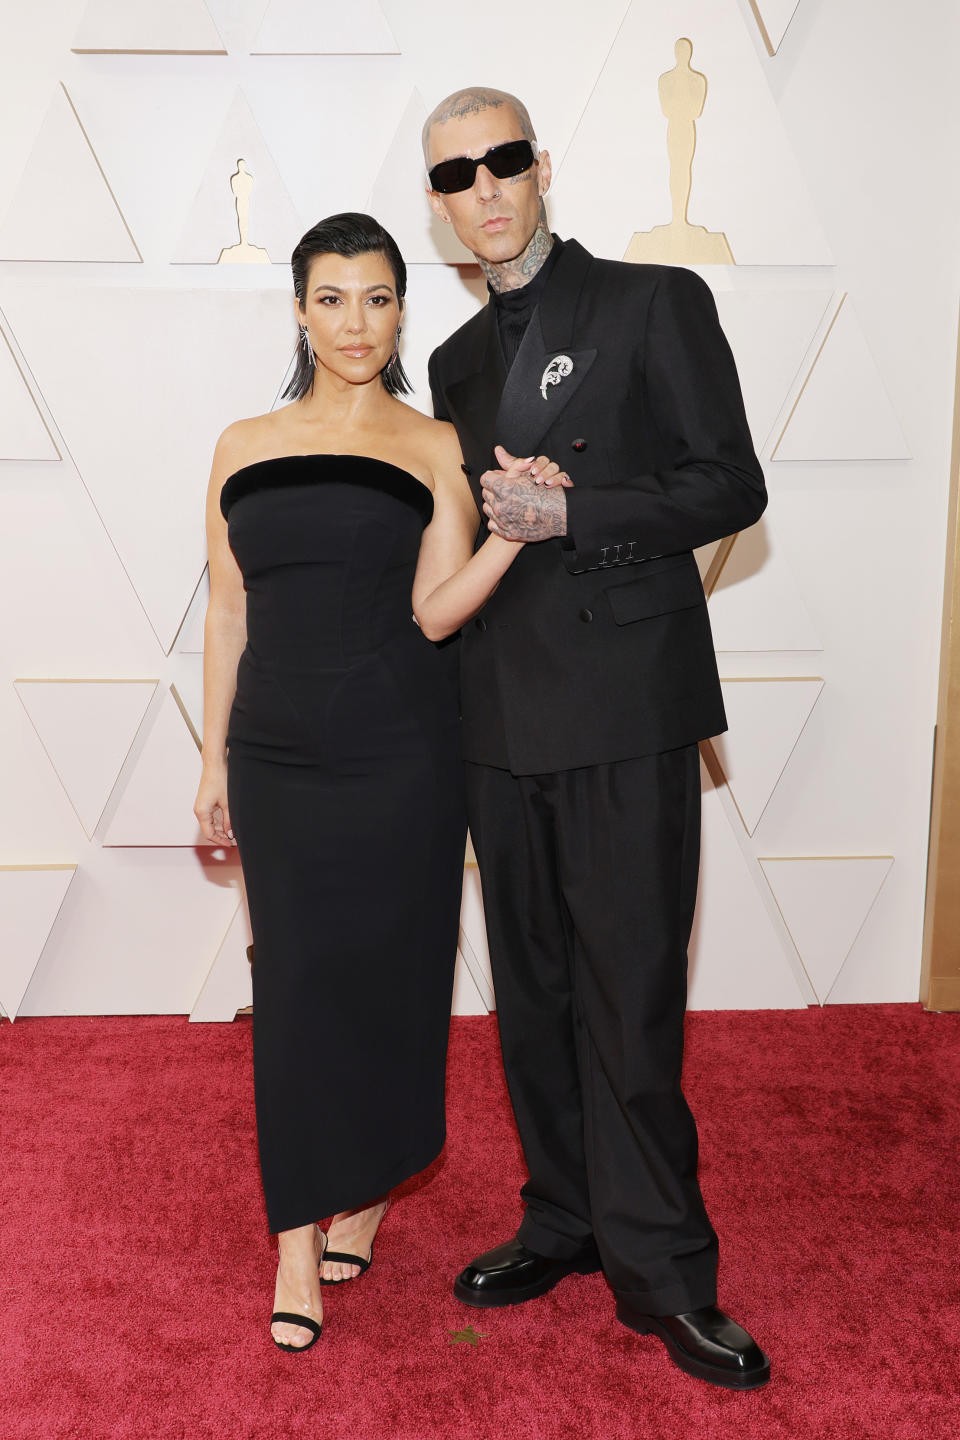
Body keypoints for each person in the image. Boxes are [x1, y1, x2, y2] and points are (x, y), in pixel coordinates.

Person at [423, 89, 771, 1389]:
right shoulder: (454, 366)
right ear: (442, 203)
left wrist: (579, 515)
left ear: (542, 166)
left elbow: (728, 483)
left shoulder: (649, 302)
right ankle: (564, 1219)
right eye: (458, 173)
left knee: (631, 1001)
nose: (486, 187)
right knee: (534, 1001)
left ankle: (668, 1273)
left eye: (503, 159)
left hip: (625, 708)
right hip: (498, 722)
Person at [194, 212, 528, 1353]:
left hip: (402, 748)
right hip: (278, 754)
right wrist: (209, 757)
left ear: (401, 310)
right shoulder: (241, 442)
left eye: (378, 298)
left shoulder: (434, 443)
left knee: (393, 973)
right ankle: (297, 1235)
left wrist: (511, 537)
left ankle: (376, 1183)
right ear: (298, 309)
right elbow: (229, 610)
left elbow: (436, 610)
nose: (355, 322)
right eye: (332, 298)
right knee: (293, 983)